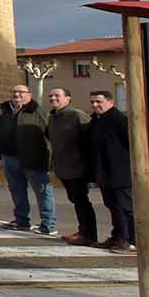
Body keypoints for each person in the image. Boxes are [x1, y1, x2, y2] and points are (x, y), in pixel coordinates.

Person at [0, 85, 52, 233]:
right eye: (14, 92)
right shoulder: (3, 110)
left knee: (42, 191)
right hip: (9, 157)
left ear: (29, 95)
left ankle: (48, 224)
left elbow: (47, 135)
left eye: (21, 92)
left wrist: (47, 158)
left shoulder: (37, 111)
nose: (17, 94)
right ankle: (21, 220)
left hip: (33, 157)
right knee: (17, 191)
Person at [85, 90, 135, 253]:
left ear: (110, 102)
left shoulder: (119, 120)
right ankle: (117, 236)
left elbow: (130, 144)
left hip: (120, 172)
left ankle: (129, 240)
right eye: (92, 102)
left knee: (124, 207)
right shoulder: (96, 120)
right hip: (104, 172)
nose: (95, 105)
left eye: (99, 102)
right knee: (112, 205)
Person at [46, 88, 96, 245]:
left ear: (67, 99)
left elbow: (89, 139)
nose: (53, 98)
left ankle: (88, 234)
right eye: (51, 96)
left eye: (57, 96)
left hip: (77, 166)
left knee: (81, 201)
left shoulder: (76, 115)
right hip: (63, 166)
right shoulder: (53, 117)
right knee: (75, 200)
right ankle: (83, 231)